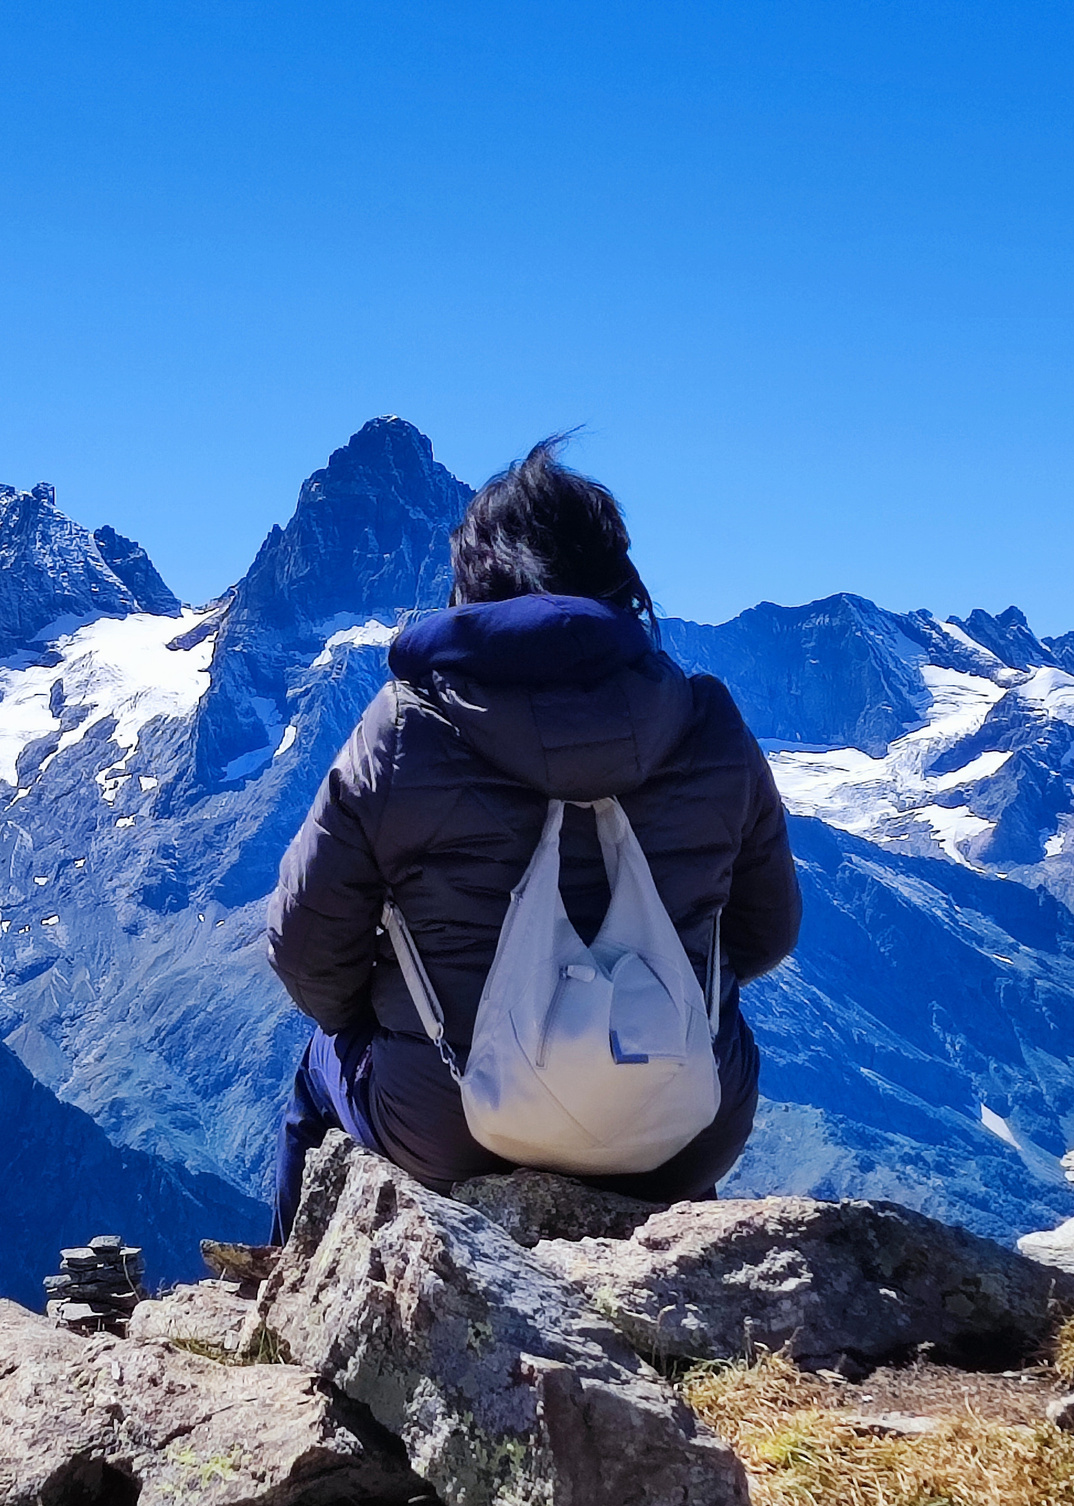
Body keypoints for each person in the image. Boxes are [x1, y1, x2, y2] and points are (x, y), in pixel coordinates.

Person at [265, 437, 803, 1239]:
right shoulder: (708, 721)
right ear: (619, 578)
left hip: (454, 1123)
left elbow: (305, 954)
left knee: (316, 1075)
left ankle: (286, 1315)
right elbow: (766, 933)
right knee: (711, 1044)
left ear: (473, 587)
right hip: (684, 1121)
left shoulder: (403, 728)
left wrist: (395, 1012)